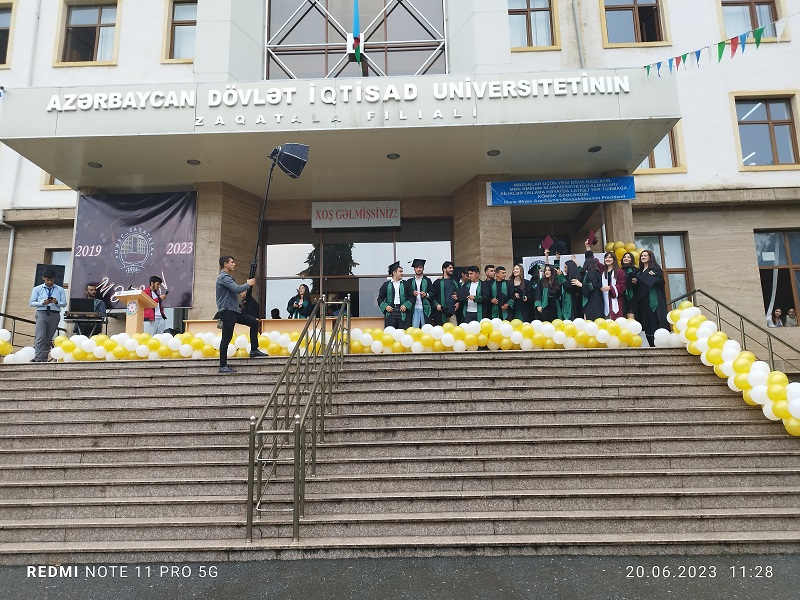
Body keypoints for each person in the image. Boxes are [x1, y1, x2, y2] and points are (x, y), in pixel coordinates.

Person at [214, 255, 267, 374]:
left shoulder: (227, 278)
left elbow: (236, 290)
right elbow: (237, 289)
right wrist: (248, 283)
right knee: (226, 338)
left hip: (234, 310)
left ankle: (254, 350)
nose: (234, 264)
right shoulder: (224, 277)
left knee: (254, 322)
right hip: (227, 311)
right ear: (225, 264)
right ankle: (222, 366)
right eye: (232, 262)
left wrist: (245, 288)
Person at [29, 268, 67, 362]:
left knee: (48, 338)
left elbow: (64, 303)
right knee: (40, 336)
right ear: (43, 278)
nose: (50, 282)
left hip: (54, 314)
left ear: (54, 279)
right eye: (47, 280)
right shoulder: (37, 289)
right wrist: (42, 303)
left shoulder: (60, 289)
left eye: (51, 280)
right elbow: (31, 303)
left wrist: (56, 302)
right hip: (42, 312)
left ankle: (43, 358)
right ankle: (38, 358)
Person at [634, 249, 670, 346]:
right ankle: (651, 344)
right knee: (646, 322)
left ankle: (657, 343)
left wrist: (655, 276)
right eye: (642, 256)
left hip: (652, 299)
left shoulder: (655, 269)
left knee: (654, 320)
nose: (643, 257)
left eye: (645, 255)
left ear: (650, 257)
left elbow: (661, 282)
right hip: (642, 300)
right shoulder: (639, 271)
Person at [377, 261, 410, 328]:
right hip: (391, 312)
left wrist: (406, 305)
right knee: (390, 333)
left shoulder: (406, 284)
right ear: (394, 273)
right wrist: (386, 307)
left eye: (402, 271)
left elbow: (412, 297)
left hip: (402, 311)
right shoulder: (386, 285)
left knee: (403, 333)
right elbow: (380, 299)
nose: (402, 273)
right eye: (400, 271)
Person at [406, 259, 433, 328]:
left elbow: (433, 294)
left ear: (423, 268)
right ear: (414, 269)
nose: (418, 269)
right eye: (416, 268)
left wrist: (426, 294)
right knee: (414, 329)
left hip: (425, 308)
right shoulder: (409, 282)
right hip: (413, 308)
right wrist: (412, 293)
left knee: (425, 329)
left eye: (420, 267)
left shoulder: (427, 280)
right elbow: (406, 295)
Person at [431, 261, 459, 326]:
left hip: (452, 312)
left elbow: (459, 295)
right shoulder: (437, 282)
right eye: (450, 268)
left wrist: (458, 302)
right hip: (440, 312)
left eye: (452, 268)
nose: (452, 269)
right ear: (444, 269)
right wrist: (436, 304)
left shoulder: (455, 282)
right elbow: (432, 296)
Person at [600, 252, 626, 320]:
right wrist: (588, 248)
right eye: (606, 257)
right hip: (604, 299)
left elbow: (622, 285)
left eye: (610, 257)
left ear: (614, 260)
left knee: (616, 320)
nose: (607, 259)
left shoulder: (620, 272)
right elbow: (593, 260)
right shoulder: (602, 270)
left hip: (615, 299)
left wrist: (610, 288)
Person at [620, 252, 640, 320]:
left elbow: (641, 282)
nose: (626, 258)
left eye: (628, 257)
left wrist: (636, 282)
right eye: (624, 257)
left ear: (632, 260)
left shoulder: (636, 270)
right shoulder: (619, 270)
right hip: (621, 294)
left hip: (633, 295)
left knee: (631, 311)